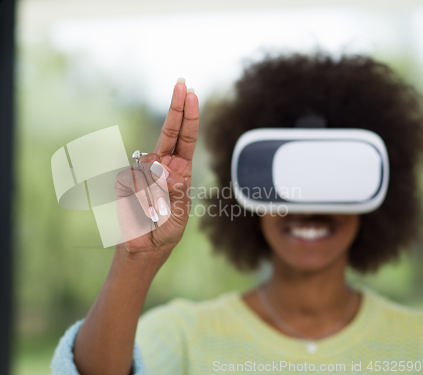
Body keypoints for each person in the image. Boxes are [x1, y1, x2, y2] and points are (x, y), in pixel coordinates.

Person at [51, 53, 423, 375]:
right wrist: (135, 258)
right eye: (287, 178)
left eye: (331, 177)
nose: (308, 206)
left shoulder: (415, 342)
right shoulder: (183, 336)